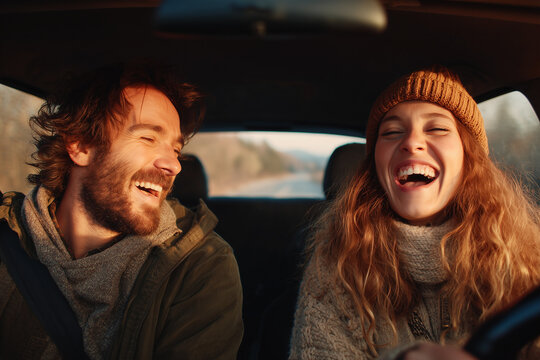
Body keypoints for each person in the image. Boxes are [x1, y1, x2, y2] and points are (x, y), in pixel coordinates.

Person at [289, 67, 540, 359]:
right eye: (392, 132)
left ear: (469, 158)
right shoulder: (336, 267)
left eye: (437, 128)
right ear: (375, 168)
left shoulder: (525, 258)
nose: (411, 142)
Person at [0, 64, 243, 359]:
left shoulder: (199, 267)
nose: (174, 165)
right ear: (81, 145)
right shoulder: (8, 237)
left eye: (176, 150)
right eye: (148, 138)